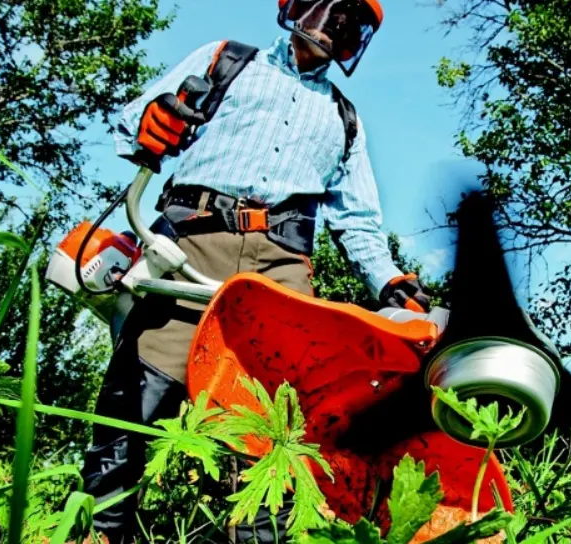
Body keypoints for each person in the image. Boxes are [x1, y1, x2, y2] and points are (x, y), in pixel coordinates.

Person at [79, 0, 431, 542]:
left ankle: (256, 537)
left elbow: (356, 222)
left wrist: (389, 280)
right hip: (191, 240)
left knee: (278, 422)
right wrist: (156, 119)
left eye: (353, 21)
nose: (337, 25)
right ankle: (100, 530)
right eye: (332, 8)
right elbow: (135, 122)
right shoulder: (227, 61)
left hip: (279, 267)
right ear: (296, 6)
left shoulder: (344, 119)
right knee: (139, 393)